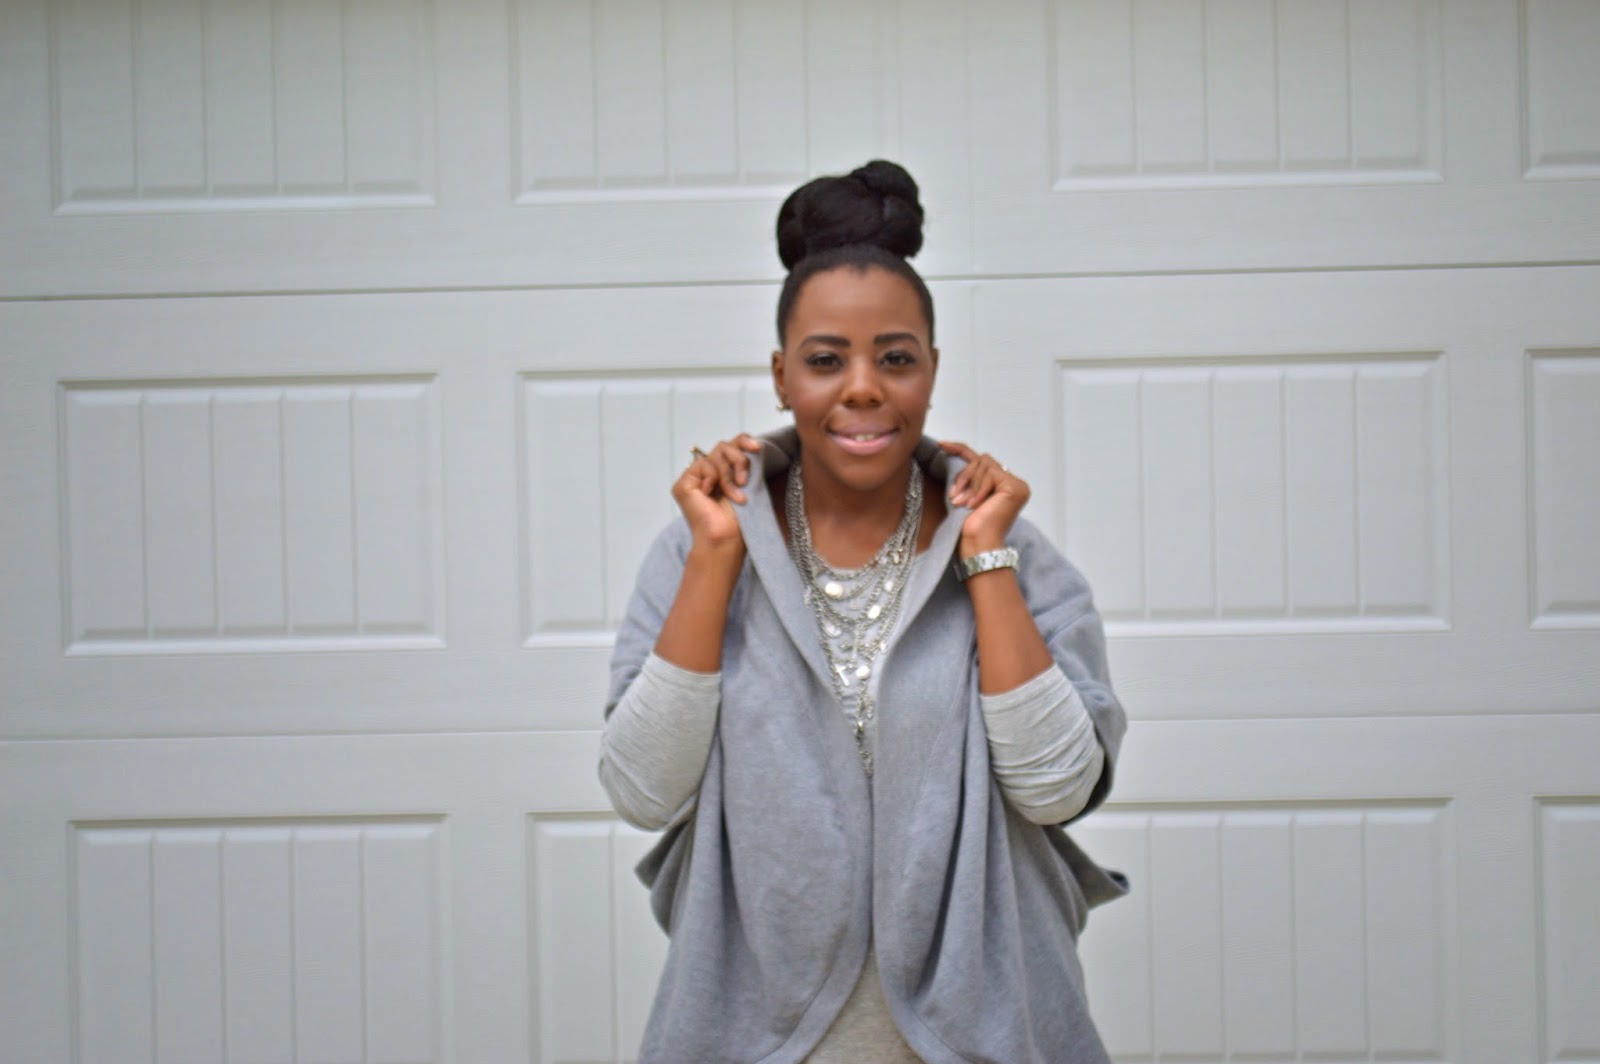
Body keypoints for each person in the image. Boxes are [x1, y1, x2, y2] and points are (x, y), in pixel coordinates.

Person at [599, 160, 1127, 1063]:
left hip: (988, 1035)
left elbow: (1057, 789)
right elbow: (644, 791)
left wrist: (983, 554)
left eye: (895, 357)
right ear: (780, 376)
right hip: (756, 1039)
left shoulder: (1014, 551)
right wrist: (718, 556)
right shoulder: (697, 551)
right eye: (824, 359)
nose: (862, 388)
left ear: (931, 371)